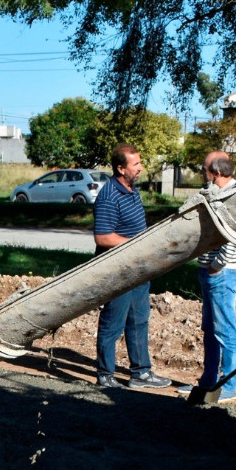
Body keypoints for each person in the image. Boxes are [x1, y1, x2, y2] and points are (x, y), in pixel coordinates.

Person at [93, 144, 171, 389]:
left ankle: (141, 373)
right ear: (120, 168)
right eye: (135, 164)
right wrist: (138, 245)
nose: (141, 168)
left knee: (139, 320)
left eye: (139, 163)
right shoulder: (109, 195)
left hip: (138, 269)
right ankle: (105, 375)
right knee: (113, 323)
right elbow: (103, 237)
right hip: (119, 271)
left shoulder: (131, 189)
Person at [177, 152, 236, 403]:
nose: (202, 174)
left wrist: (217, 265)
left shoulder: (234, 195)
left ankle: (228, 385)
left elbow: (235, 234)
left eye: (204, 170)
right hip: (212, 271)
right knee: (210, 328)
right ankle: (209, 380)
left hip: (223, 272)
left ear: (215, 172)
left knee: (224, 328)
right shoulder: (215, 192)